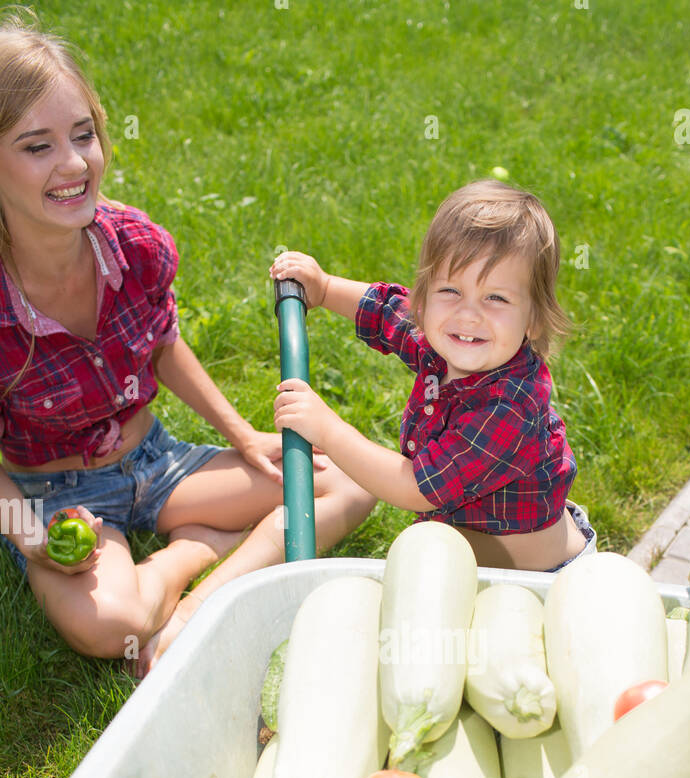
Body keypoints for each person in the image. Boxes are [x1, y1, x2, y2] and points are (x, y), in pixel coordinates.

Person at [0, 14, 375, 675]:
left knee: (352, 479)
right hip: (55, 498)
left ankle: (198, 605)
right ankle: (193, 549)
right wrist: (33, 540)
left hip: (154, 462)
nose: (74, 162)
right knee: (110, 624)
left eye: (83, 134)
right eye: (37, 147)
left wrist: (242, 437)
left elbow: (162, 343)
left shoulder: (132, 244)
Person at [269, 179, 597, 573]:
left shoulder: (507, 407)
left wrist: (326, 430)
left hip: (537, 581)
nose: (468, 314)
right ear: (423, 300)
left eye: (496, 298)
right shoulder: (447, 343)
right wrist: (324, 288)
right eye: (450, 290)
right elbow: (386, 312)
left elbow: (415, 489)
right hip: (464, 563)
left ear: (534, 321)